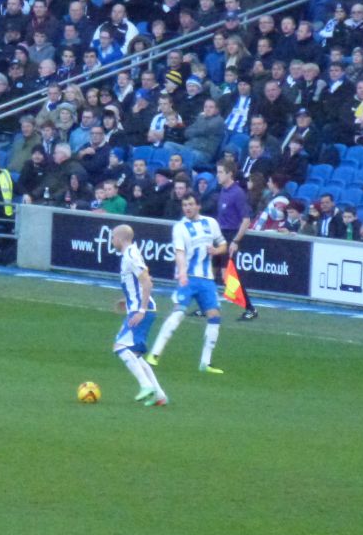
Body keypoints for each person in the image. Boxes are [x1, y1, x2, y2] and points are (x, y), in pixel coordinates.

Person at [146, 193, 227, 374]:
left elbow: (223, 245)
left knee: (214, 316)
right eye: (185, 205)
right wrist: (182, 272)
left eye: (191, 204)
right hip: (188, 277)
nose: (187, 208)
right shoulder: (180, 227)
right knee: (178, 314)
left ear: (198, 206)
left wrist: (216, 250)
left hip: (207, 280)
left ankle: (205, 363)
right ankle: (154, 354)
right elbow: (180, 252)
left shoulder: (211, 223)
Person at [110, 224, 167, 407]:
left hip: (142, 311)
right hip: (139, 308)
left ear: (119, 239)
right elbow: (138, 284)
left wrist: (141, 310)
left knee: (120, 347)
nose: (112, 241)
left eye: (112, 238)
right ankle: (159, 395)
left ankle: (146, 386)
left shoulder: (131, 256)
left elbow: (147, 282)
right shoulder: (131, 254)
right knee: (135, 354)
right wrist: (126, 301)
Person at [215, 157, 259, 320]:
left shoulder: (237, 193)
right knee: (212, 272)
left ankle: (250, 307)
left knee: (229, 275)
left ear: (229, 174)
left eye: (220, 172)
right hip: (220, 236)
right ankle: (208, 306)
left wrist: (235, 241)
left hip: (229, 236)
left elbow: (246, 220)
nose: (217, 175)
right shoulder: (223, 191)